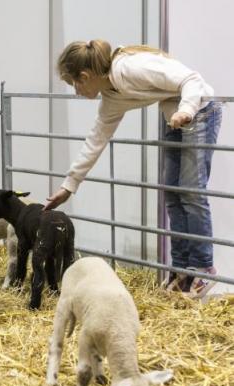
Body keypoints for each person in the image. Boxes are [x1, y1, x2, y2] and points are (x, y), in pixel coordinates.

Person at [44, 39, 222, 298]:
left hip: (201, 111)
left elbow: (191, 79)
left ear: (85, 76)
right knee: (173, 194)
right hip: (174, 117)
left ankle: (204, 267)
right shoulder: (111, 96)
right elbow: (96, 140)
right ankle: (183, 267)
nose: (76, 91)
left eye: (74, 84)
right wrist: (69, 186)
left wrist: (186, 110)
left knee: (191, 192)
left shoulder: (130, 68)